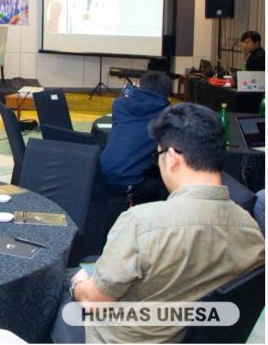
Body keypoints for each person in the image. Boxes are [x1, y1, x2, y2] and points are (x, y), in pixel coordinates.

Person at [52, 103, 265, 343]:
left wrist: (77, 284)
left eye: (158, 155)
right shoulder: (251, 230)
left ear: (172, 158)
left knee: (60, 283)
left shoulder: (142, 223)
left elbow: (93, 301)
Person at [99, 72, 172, 230]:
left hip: (101, 174)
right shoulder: (166, 116)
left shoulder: (119, 105)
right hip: (130, 184)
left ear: (141, 86)